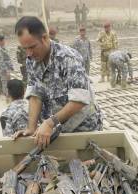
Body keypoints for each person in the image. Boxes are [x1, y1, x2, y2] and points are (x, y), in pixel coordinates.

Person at [13, 16, 102, 147]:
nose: (29, 53)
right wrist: (31, 128)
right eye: (24, 48)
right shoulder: (32, 60)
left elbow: (79, 101)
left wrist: (49, 123)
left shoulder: (68, 58)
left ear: (44, 38)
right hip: (57, 128)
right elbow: (35, 94)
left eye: (32, 47)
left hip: (83, 127)